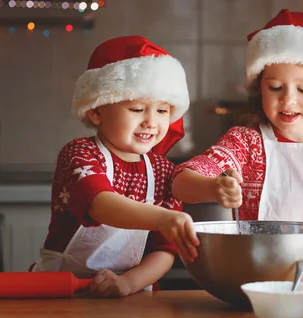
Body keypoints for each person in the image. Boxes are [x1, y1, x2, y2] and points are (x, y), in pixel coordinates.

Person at [171, 9, 303, 259]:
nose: (288, 100)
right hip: (258, 278)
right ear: (260, 88)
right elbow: (180, 182)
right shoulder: (246, 143)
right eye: (275, 87)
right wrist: (213, 188)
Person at [31, 36, 200, 297]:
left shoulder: (163, 170)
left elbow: (164, 251)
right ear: (96, 111)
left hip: (130, 298)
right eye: (136, 109)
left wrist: (128, 283)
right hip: (60, 295)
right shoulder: (79, 154)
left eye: (162, 111)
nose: (151, 122)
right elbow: (101, 205)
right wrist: (164, 218)